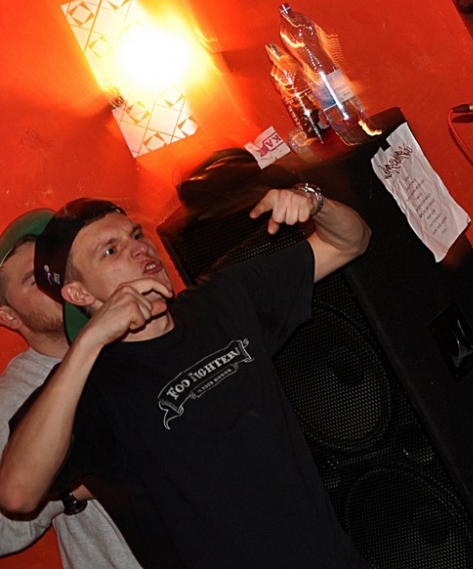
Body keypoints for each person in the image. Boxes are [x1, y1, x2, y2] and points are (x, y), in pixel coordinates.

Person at [0, 185, 372, 568]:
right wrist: (89, 341)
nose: (139, 249)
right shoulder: (92, 388)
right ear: (79, 294)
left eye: (136, 235)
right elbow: (16, 496)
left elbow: (349, 242)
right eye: (111, 251)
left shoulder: (222, 299)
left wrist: (315, 201)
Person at [0, 209, 141, 568]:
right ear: (9, 316)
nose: (53, 282)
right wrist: (70, 488)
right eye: (34, 280)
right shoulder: (13, 398)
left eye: (57, 267)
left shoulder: (143, 332)